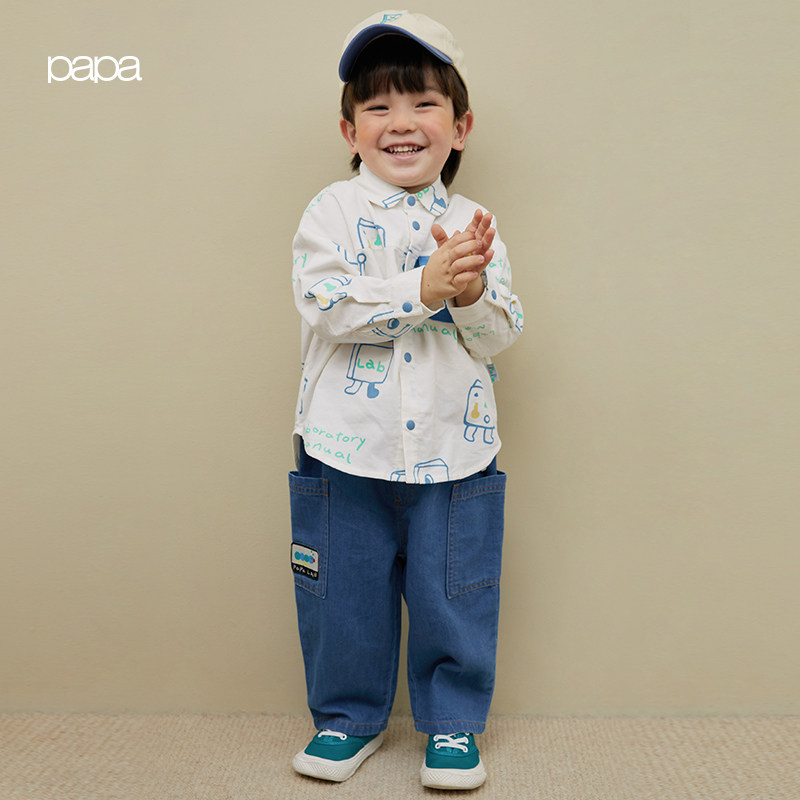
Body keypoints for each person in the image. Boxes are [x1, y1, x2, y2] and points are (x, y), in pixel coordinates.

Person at [288, 10, 523, 791]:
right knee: (343, 591)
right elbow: (328, 306)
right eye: (379, 106)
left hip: (456, 449)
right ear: (350, 130)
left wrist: (471, 293)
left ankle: (452, 724)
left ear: (460, 127)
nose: (401, 122)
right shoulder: (329, 212)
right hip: (343, 444)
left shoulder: (475, 226)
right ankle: (346, 718)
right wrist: (422, 287)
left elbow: (499, 336)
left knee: (454, 590)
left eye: (424, 103)